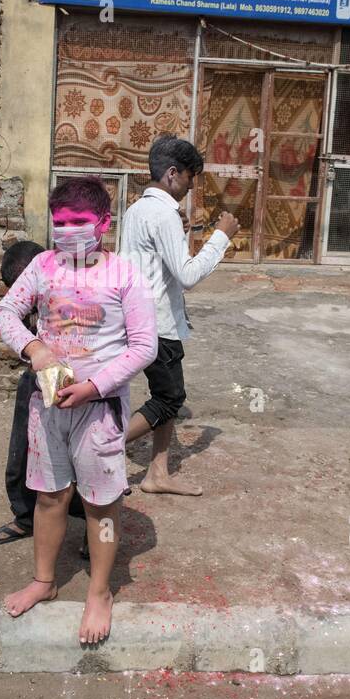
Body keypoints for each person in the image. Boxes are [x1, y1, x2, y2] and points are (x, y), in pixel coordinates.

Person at [0, 177, 157, 645]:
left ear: (103, 224)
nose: (67, 232)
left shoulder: (124, 274)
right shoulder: (43, 267)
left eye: (78, 223)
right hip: (47, 407)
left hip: (100, 410)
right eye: (59, 223)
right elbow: (5, 314)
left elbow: (145, 346)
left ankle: (100, 592)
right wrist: (35, 348)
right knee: (48, 496)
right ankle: (44, 581)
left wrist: (93, 386)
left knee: (102, 504)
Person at [117, 134, 239, 496]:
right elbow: (187, 275)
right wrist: (221, 237)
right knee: (170, 398)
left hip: (139, 313)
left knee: (164, 394)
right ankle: (101, 450)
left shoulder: (138, 209)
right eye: (189, 178)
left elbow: (154, 262)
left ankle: (158, 472)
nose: (190, 186)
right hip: (156, 321)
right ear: (172, 174)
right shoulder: (164, 212)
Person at [0, 240, 89, 551]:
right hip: (37, 377)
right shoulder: (20, 298)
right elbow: (6, 321)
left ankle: (93, 526)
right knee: (23, 447)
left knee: (83, 455)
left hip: (81, 382)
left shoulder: (74, 291)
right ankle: (27, 515)